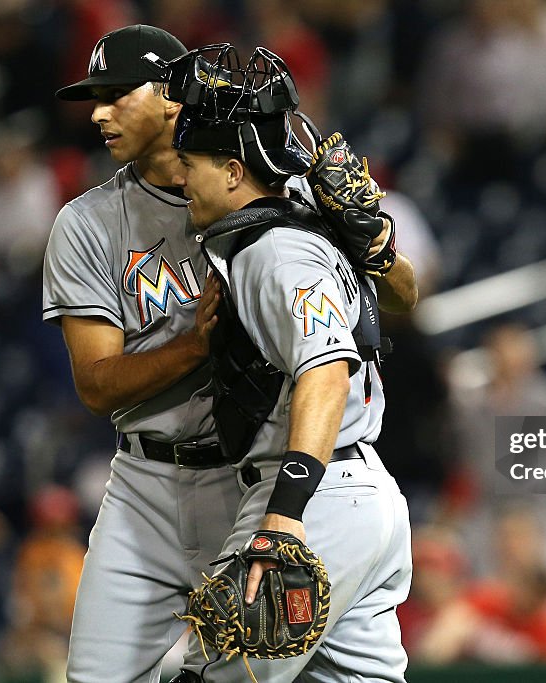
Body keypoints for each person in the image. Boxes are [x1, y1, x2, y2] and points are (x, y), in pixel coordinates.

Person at [42, 26, 417, 683]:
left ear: (170, 99)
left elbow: (390, 306)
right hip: (151, 481)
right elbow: (97, 384)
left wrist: (377, 246)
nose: (98, 113)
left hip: (266, 473)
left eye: (115, 94)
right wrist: (197, 343)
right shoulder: (91, 222)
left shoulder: (278, 205)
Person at [166, 44, 412, 682]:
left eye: (189, 162)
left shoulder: (275, 252)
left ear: (230, 170)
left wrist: (285, 516)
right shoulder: (308, 223)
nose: (179, 177)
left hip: (313, 495)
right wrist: (378, 245)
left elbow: (324, 372)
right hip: (362, 492)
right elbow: (406, 293)